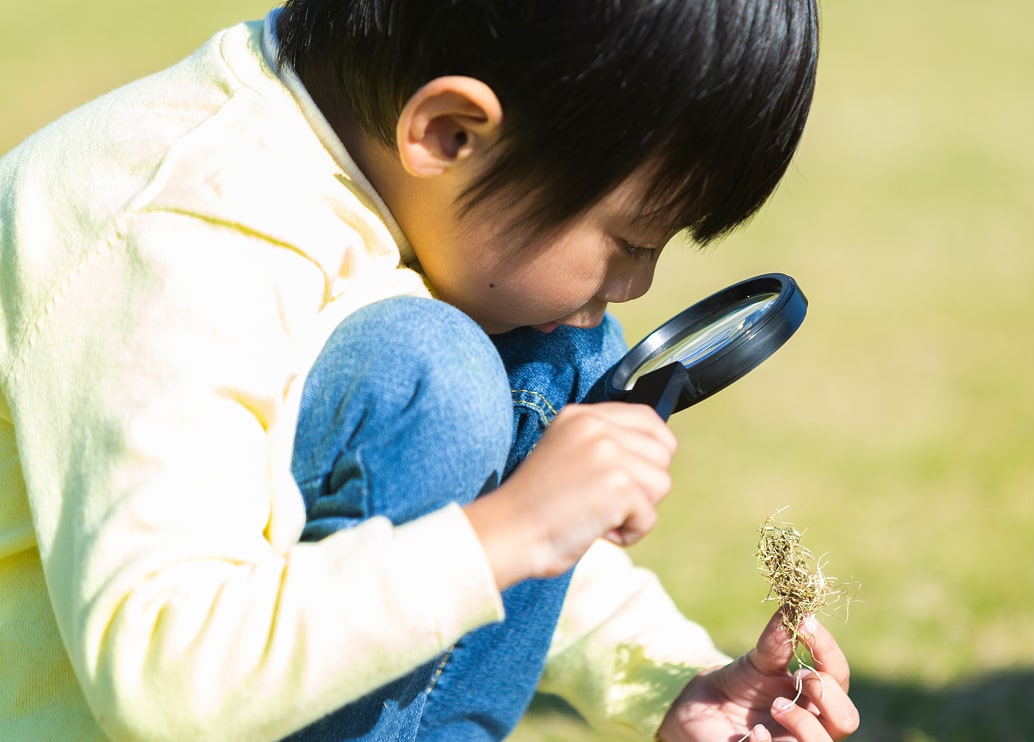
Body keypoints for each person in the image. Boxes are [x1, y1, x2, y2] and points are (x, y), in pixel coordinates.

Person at [0, 1, 860, 739]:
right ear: (448, 133)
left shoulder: (363, 165)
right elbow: (161, 670)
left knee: (555, 349)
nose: (637, 283)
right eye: (631, 240)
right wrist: (513, 528)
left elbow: (461, 538)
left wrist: (671, 682)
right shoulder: (178, 239)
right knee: (433, 369)